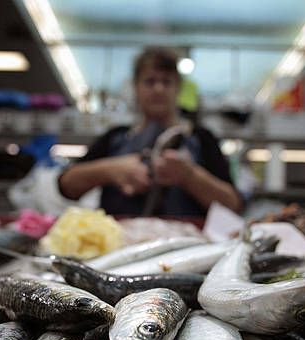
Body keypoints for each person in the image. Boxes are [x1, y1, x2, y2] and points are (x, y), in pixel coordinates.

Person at [58, 47, 242, 217]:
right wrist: (110, 170)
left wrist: (190, 176)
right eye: (150, 81)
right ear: (135, 88)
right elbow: (67, 185)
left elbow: (233, 204)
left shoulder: (202, 139)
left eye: (166, 82)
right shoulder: (114, 137)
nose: (158, 89)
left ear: (178, 88)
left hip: (189, 248)